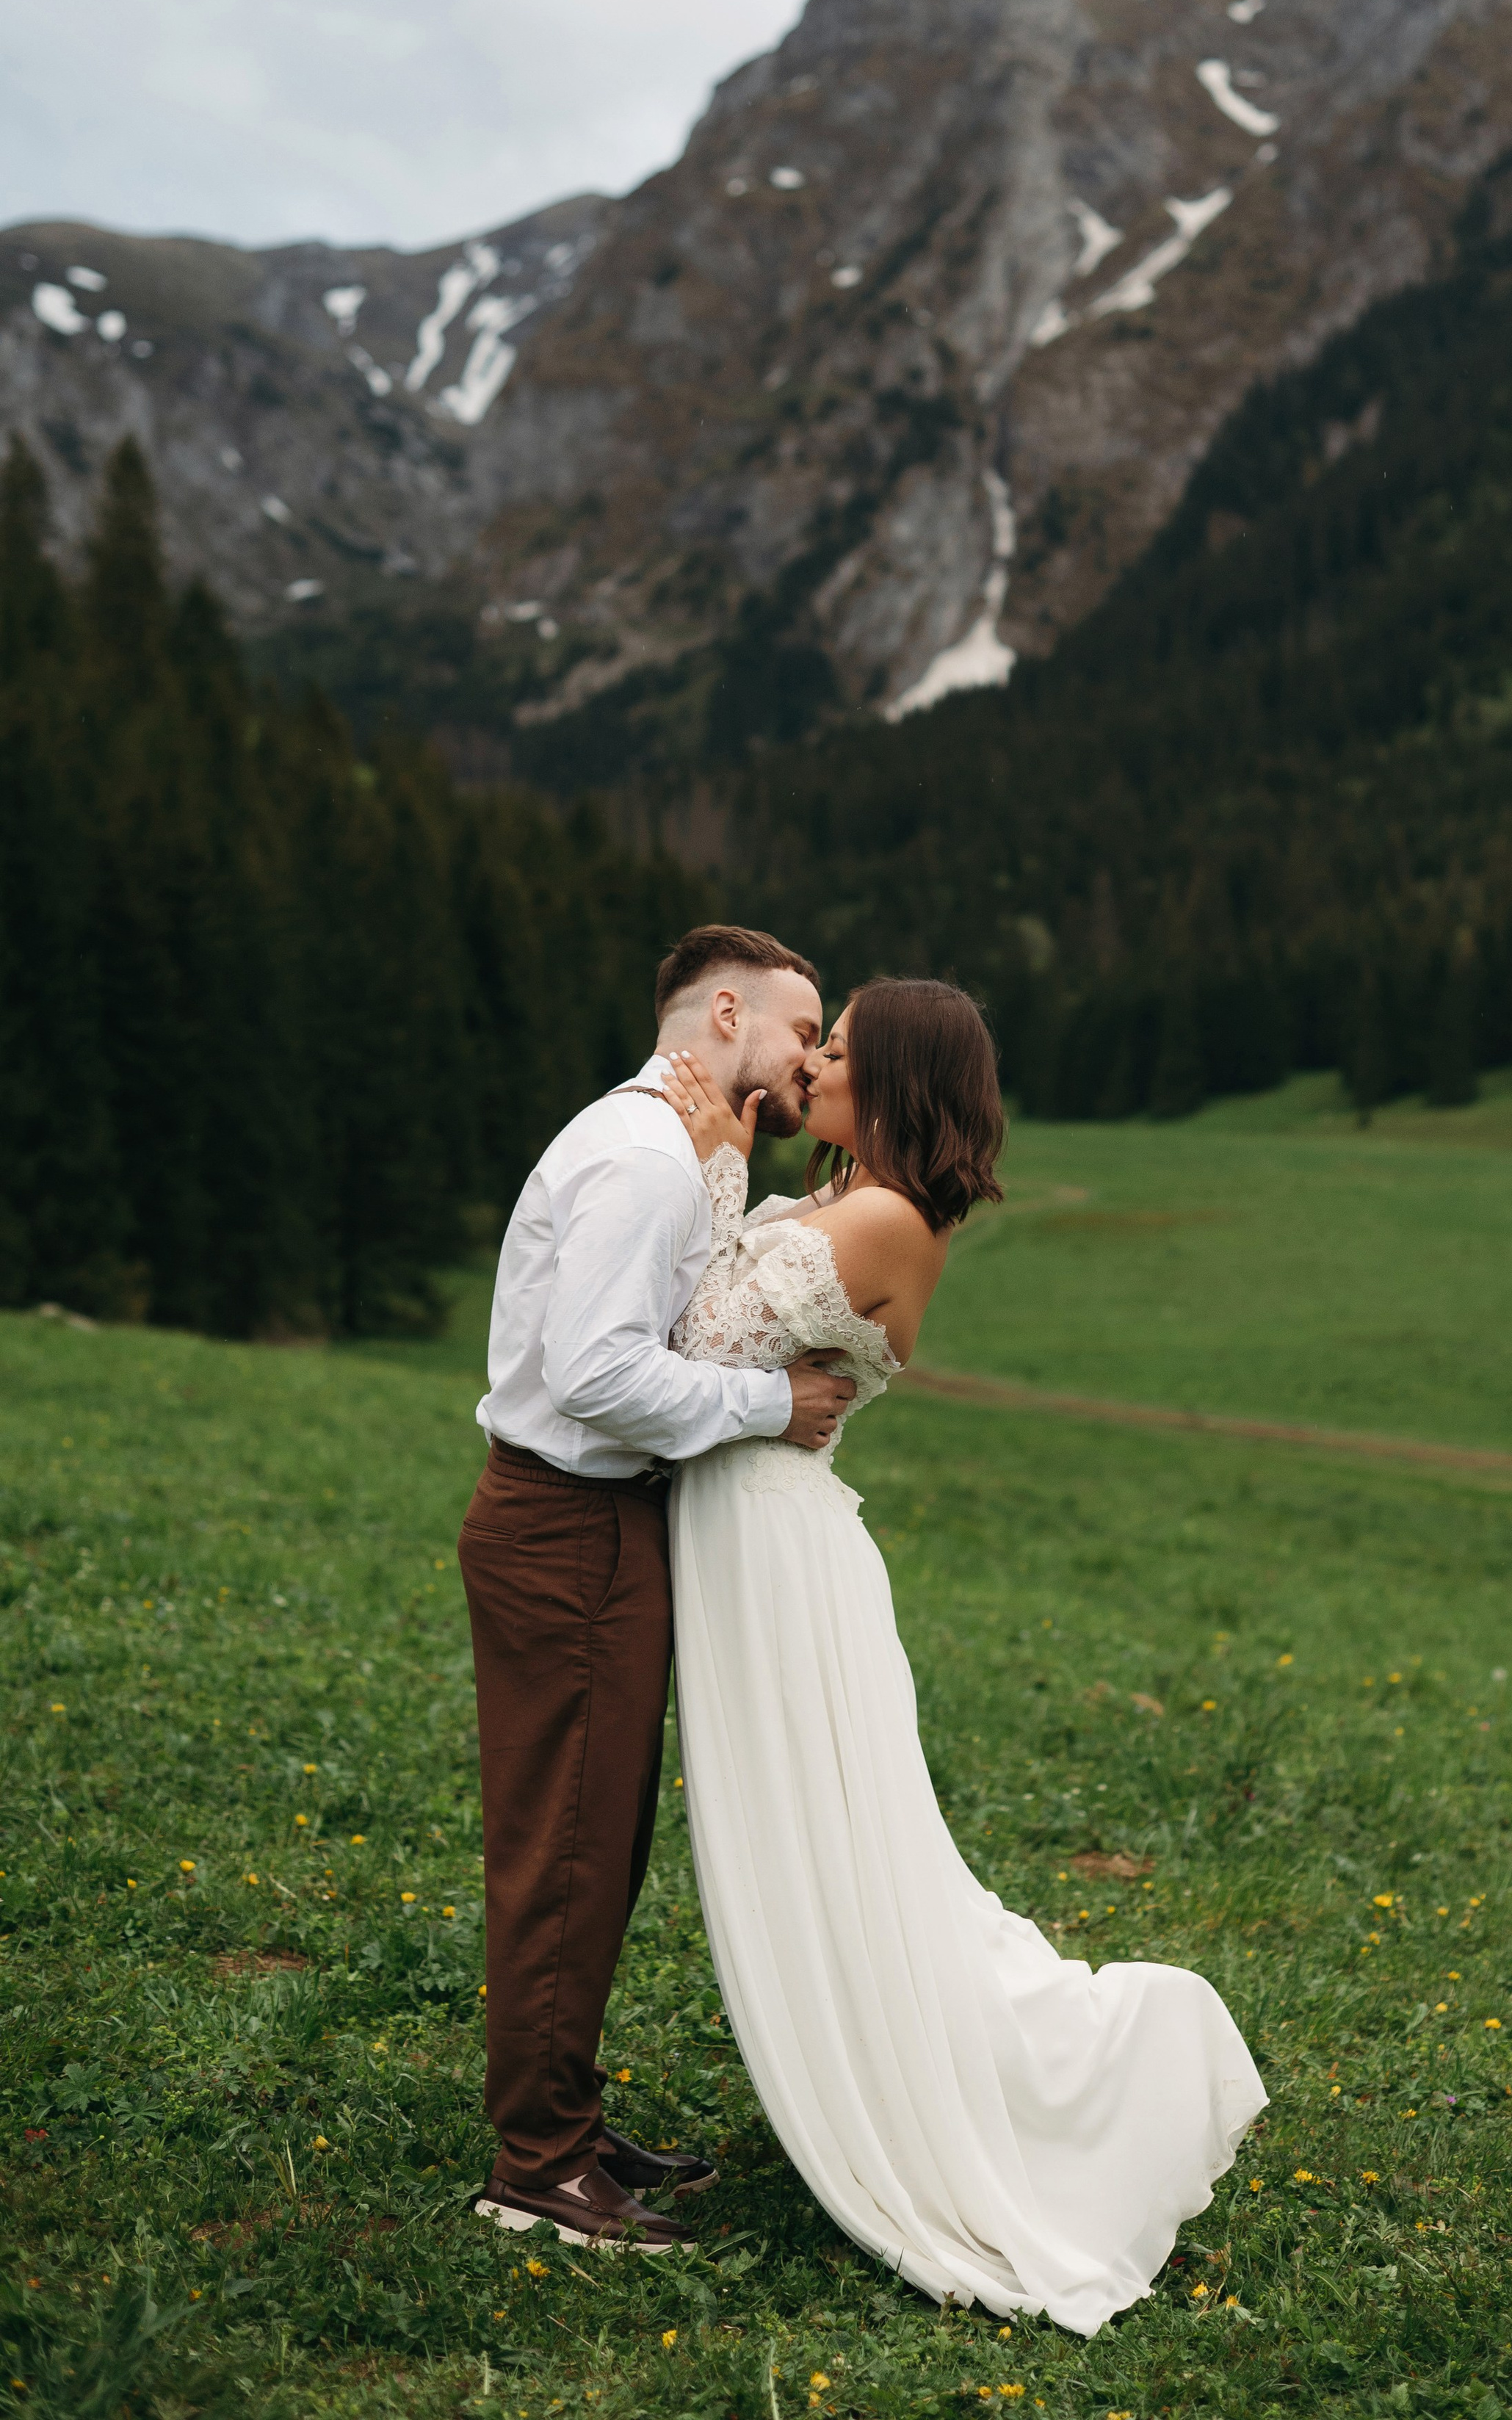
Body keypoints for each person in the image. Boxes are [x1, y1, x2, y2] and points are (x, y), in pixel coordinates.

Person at [653, 976, 1266, 2333]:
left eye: (846, 1051)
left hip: (782, 1564)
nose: (814, 1058)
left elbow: (692, 1339)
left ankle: (1051, 2088)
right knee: (833, 1857)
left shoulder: (881, 1220)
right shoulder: (843, 1200)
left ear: (902, 1085)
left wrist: (711, 1160)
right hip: (754, 1544)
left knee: (853, 1864)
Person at [460, 923, 858, 2251]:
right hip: (568, 1524)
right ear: (728, 1013)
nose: (813, 1056)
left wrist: (727, 1170)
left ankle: (562, 2118)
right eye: (805, 1030)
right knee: (567, 1848)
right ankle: (540, 2171)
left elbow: (668, 1315)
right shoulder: (640, 1155)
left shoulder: (671, 1147)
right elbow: (597, 1375)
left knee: (596, 1843)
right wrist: (772, 1406)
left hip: (595, 1522)